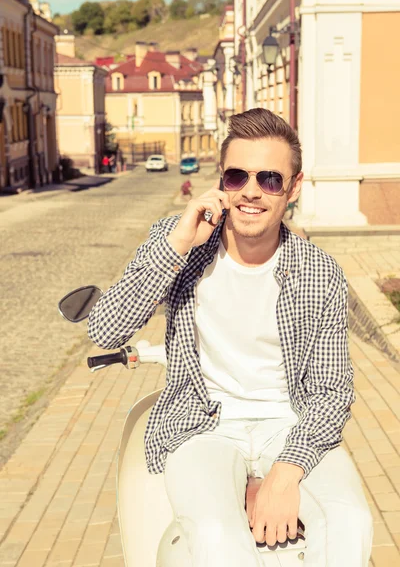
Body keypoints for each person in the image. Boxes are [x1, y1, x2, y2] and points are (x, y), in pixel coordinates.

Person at [88, 108, 373, 567]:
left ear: (294, 188)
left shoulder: (319, 273)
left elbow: (331, 393)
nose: (252, 192)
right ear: (222, 181)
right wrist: (179, 246)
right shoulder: (179, 241)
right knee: (217, 535)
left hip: (291, 423)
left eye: (271, 180)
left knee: (350, 522)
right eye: (238, 176)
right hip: (200, 426)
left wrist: (286, 473)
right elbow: (105, 329)